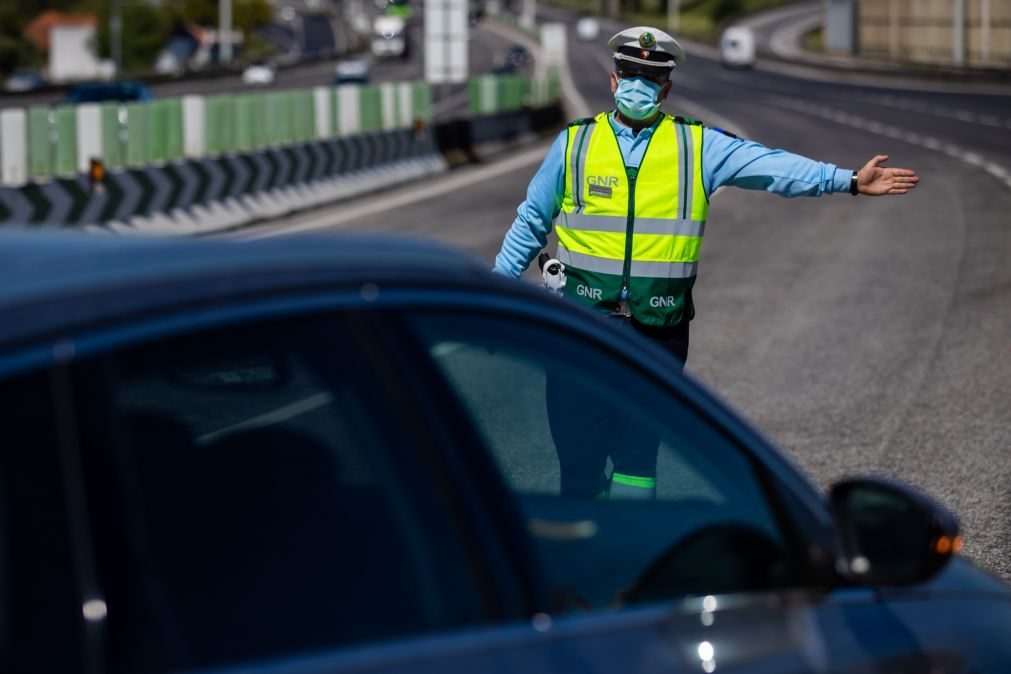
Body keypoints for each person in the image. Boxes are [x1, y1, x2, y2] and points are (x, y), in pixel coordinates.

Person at [492, 26, 919, 501]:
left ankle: (639, 558)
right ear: (613, 81)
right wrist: (492, 298)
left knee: (638, 457)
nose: (638, 85)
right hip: (581, 327)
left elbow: (771, 167)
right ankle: (592, 557)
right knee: (577, 459)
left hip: (658, 331)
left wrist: (848, 181)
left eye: (650, 77)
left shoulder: (697, 146)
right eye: (630, 74)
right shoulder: (574, 144)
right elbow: (530, 221)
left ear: (667, 87)